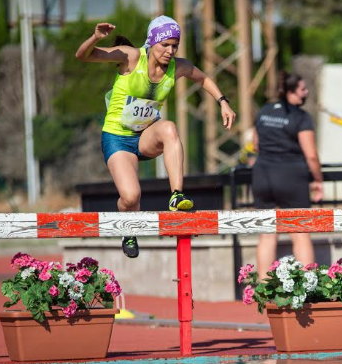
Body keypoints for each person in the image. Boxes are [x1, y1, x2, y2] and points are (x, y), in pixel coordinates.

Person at [76, 17, 236, 258]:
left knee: (169, 127)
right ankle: (127, 226)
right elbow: (83, 56)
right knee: (131, 197)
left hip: (146, 136)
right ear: (151, 43)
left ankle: (176, 195)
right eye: (165, 45)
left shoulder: (178, 66)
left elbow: (202, 78)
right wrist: (96, 38)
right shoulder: (130, 57)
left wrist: (223, 102)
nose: (170, 51)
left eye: (175, 46)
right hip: (118, 138)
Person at [251, 72, 323, 279]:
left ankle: (264, 287)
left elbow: (255, 144)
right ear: (292, 92)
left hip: (262, 175)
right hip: (292, 176)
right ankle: (308, 285)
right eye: (303, 89)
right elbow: (311, 155)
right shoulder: (301, 117)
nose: (306, 92)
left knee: (267, 234)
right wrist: (318, 180)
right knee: (300, 233)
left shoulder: (264, 111)